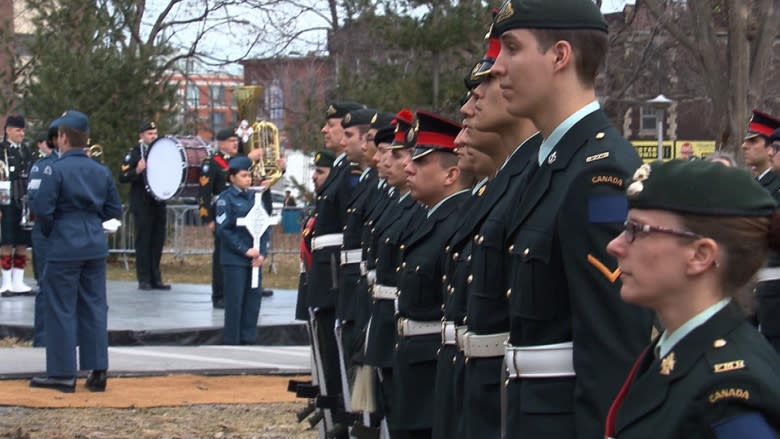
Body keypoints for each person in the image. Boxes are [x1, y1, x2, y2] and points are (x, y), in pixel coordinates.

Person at [490, 1, 653, 437]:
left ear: (560, 56)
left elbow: (616, 346)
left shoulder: (600, 173)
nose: (498, 67)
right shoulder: (546, 164)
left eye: (511, 48)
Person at [604, 159, 780, 438]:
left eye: (637, 230)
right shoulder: (673, 351)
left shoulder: (729, 392)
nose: (614, 245)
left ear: (700, 255)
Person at [29, 110, 122, 393]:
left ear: (64, 137)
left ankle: (62, 373)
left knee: (60, 307)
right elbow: (113, 211)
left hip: (64, 244)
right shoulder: (100, 170)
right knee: (94, 306)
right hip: (94, 244)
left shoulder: (54, 169)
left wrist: (52, 232)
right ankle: (98, 370)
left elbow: (42, 210)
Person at [393, 110, 472, 438]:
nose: (407, 167)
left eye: (420, 162)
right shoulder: (430, 218)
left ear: (451, 174)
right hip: (415, 369)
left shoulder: (456, 224)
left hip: (432, 371)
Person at [215, 156, 270, 345]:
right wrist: (244, 249)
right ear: (232, 177)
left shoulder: (255, 198)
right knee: (235, 302)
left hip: (254, 259)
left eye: (249, 176)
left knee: (253, 300)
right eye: (244, 175)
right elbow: (224, 229)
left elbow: (264, 227)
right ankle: (232, 340)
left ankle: (249, 337)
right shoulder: (226, 199)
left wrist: (262, 253)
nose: (248, 179)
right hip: (234, 259)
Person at [119, 121, 170, 291]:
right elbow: (123, 176)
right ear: (141, 136)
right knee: (144, 241)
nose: (153, 136)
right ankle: (144, 278)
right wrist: (137, 171)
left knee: (157, 241)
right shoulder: (133, 153)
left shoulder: (162, 152)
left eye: (155, 133)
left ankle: (156, 277)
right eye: (149, 134)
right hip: (142, 203)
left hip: (158, 202)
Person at [199, 128, 242, 309]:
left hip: (238, 214)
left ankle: (234, 292)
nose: (235, 144)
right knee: (221, 256)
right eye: (232, 140)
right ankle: (219, 295)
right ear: (221, 142)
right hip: (220, 214)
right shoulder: (212, 163)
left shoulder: (237, 162)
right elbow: (204, 193)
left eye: (236, 140)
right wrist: (207, 218)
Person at [27, 125, 60, 347]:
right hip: (47, 232)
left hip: (68, 233)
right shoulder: (43, 167)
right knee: (46, 285)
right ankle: (43, 338)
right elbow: (35, 200)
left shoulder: (83, 166)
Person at [0, 114, 35, 296]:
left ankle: (18, 281)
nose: (22, 133)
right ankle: (5, 282)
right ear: (8, 130)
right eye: (18, 130)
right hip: (6, 201)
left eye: (23, 130)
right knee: (7, 241)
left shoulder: (26, 150)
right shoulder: (1, 150)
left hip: (23, 202)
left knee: (22, 242)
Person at [741, 110, 780, 198]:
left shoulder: (776, 187)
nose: (743, 146)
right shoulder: (755, 183)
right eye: (745, 141)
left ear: (771, 147)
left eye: (753, 141)